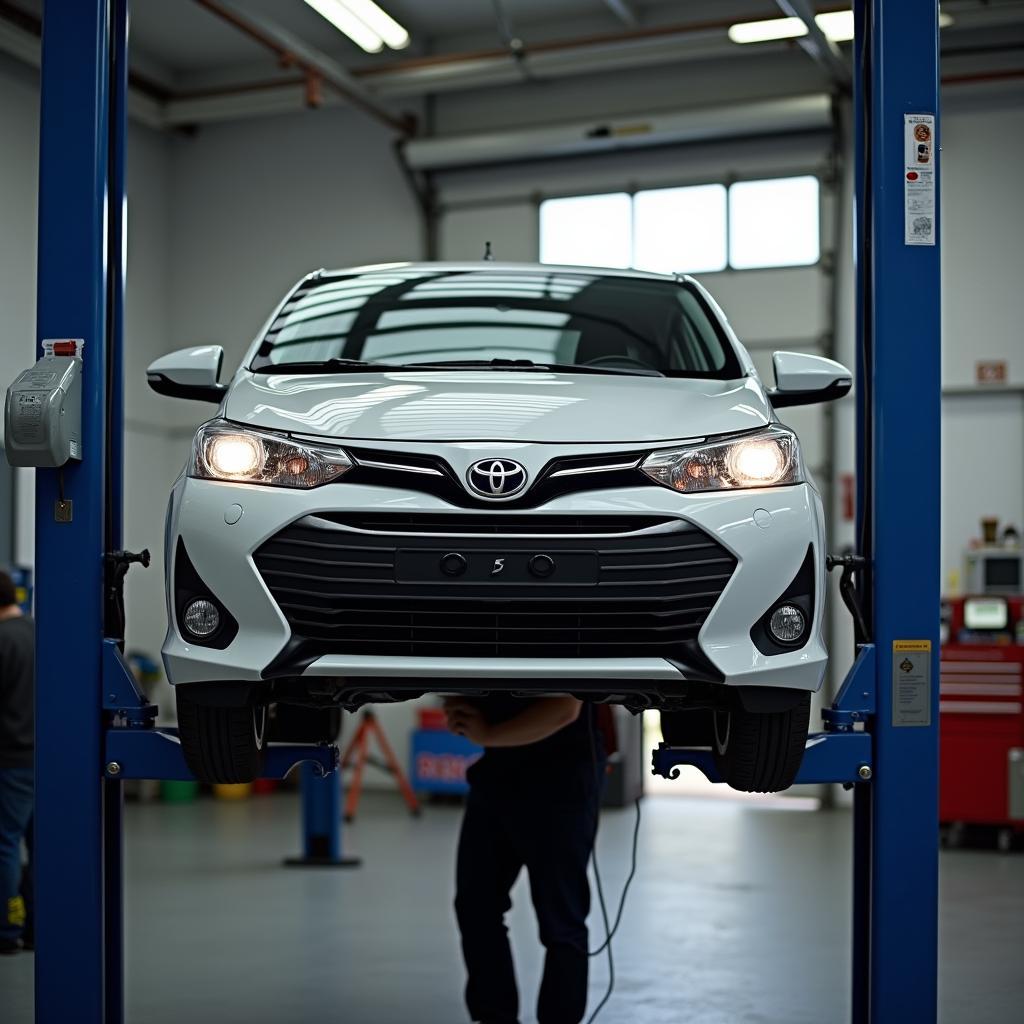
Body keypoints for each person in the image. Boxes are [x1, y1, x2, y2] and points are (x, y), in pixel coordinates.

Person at [445, 694, 605, 1024]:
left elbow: (564, 709)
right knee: (476, 906)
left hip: (562, 775)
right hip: (499, 768)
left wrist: (486, 734)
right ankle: (495, 1017)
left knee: (561, 920)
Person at [0, 570, 34, 955]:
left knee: (5, 845)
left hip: (9, 760)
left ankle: (7, 930)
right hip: (46, 758)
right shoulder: (38, 632)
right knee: (40, 846)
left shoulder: (2, 641)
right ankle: (40, 925)